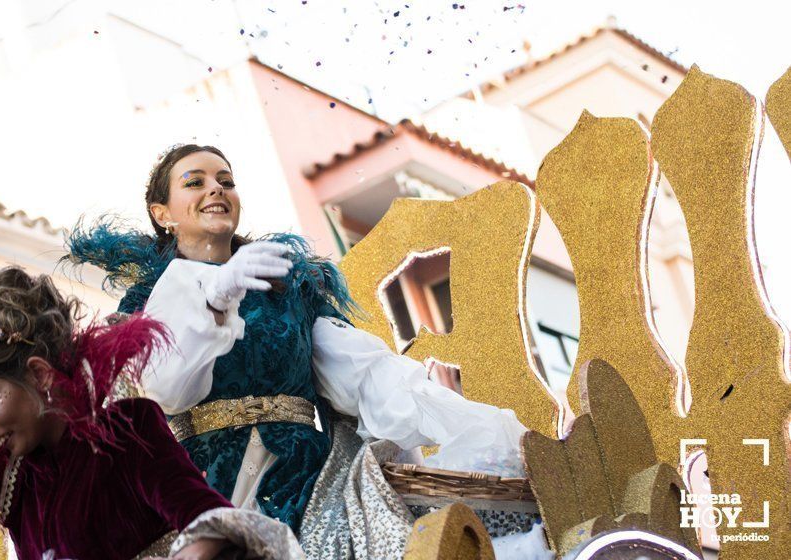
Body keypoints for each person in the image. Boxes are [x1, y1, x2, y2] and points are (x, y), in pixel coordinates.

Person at [66, 144, 538, 558]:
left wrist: (489, 431)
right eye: (195, 182)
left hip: (307, 479)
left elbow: (371, 378)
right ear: (162, 213)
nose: (216, 189)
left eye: (226, 181)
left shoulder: (291, 289)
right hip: (199, 491)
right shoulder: (142, 307)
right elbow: (165, 390)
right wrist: (213, 296)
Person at [0, 267, 302, 560]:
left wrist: (193, 550)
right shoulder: (15, 486)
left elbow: (208, 518)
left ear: (39, 374)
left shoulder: (125, 430)